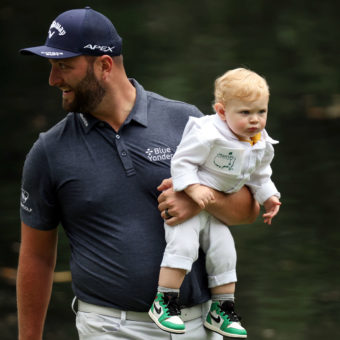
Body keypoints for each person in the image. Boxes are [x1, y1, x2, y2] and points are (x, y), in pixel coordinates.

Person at [17, 7, 259, 340]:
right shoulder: (49, 151)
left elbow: (248, 209)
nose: (53, 79)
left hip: (199, 326)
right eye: (52, 67)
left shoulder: (185, 122)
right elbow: (36, 257)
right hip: (109, 328)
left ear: (104, 65)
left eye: (64, 66)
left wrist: (202, 200)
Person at [149, 68, 281, 338]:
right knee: (182, 246)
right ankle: (164, 301)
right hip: (188, 201)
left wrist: (269, 196)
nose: (255, 120)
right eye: (245, 113)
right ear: (222, 112)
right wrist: (194, 188)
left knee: (225, 252)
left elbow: (259, 175)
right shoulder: (208, 132)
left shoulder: (259, 142)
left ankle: (221, 309)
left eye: (261, 112)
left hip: (216, 211)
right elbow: (182, 162)